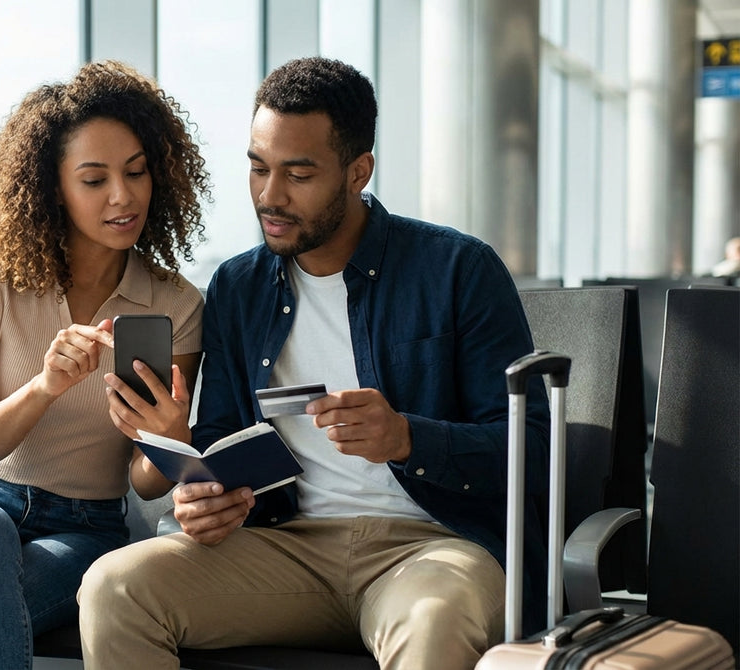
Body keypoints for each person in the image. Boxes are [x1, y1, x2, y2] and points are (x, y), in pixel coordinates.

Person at [79, 56, 551, 670]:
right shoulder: (238, 286)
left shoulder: (457, 269)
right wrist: (205, 496)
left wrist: (409, 438)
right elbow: (221, 440)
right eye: (257, 168)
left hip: (431, 548)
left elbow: (534, 448)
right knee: (115, 589)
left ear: (358, 172)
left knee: (434, 621)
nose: (269, 196)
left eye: (298, 174)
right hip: (285, 547)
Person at [0, 60, 211, 670]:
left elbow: (145, 480)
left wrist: (171, 440)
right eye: (94, 180)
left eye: (137, 173)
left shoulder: (176, 304)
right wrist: (44, 387)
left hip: (84, 528)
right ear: (52, 188)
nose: (123, 196)